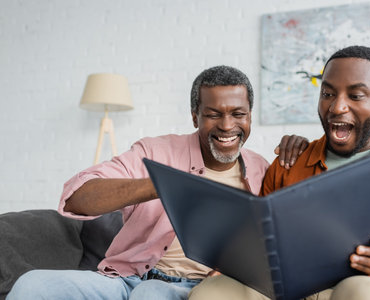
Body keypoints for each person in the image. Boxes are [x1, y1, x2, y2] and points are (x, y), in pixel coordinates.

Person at [6, 65, 308, 300]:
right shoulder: (154, 151)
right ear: (195, 117)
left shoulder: (262, 170)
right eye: (213, 115)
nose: (227, 126)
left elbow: (285, 239)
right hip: (125, 280)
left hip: (198, 291)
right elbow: (77, 197)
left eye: (238, 114)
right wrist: (162, 185)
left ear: (250, 116)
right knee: (33, 284)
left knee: (150, 295)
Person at [188, 46, 370, 300]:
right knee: (211, 292)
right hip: (289, 291)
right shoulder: (288, 164)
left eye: (355, 96)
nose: (337, 107)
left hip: (357, 290)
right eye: (327, 94)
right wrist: (234, 262)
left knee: (364, 291)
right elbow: (259, 246)